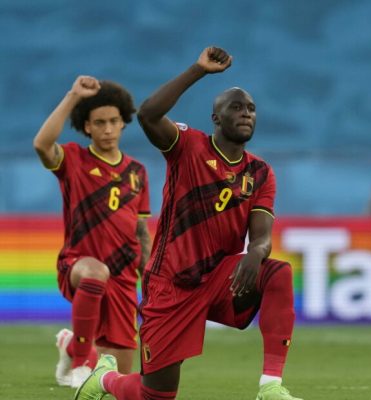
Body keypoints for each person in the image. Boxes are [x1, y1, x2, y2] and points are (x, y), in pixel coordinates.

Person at [74, 47, 301, 400]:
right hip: (172, 284)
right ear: (216, 118)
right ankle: (103, 380)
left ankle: (270, 386)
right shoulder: (189, 147)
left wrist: (256, 254)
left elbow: (261, 236)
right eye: (237, 107)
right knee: (157, 395)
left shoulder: (260, 173)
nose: (246, 114)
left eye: (252, 109)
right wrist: (198, 70)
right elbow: (148, 113)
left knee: (278, 273)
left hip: (220, 278)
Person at [32, 76, 152, 388]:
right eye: (99, 123)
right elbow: (42, 144)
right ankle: (80, 364)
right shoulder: (73, 159)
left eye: (114, 121)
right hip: (78, 265)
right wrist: (73, 95)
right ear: (87, 126)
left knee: (119, 378)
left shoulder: (137, 172)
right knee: (95, 271)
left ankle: (72, 346)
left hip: (124, 279)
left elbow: (140, 231)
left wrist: (151, 275)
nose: (108, 129)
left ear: (124, 123)